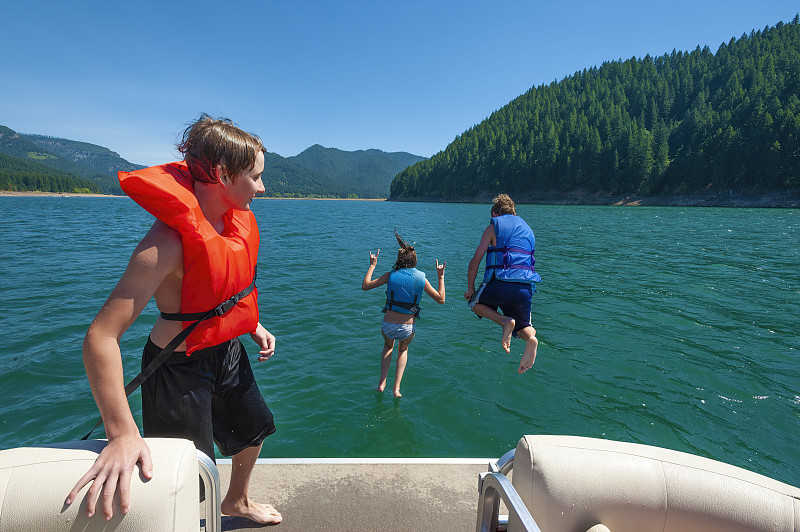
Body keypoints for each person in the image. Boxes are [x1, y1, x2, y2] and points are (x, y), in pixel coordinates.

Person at [65, 115, 282, 525]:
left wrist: (251, 325)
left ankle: (236, 501)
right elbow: (100, 337)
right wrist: (122, 433)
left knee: (255, 430)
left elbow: (223, 291)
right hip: (177, 369)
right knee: (185, 472)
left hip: (227, 351)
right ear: (221, 173)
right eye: (254, 177)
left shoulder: (235, 222)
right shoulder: (165, 245)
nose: (262, 187)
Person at [464, 194, 542, 374]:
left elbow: (474, 262)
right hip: (524, 288)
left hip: (499, 283)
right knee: (523, 328)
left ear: (494, 213)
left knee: (474, 303)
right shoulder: (528, 230)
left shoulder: (493, 227)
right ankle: (531, 339)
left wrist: (471, 289)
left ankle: (505, 321)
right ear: (514, 213)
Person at [361, 232, 446, 397]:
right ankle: (396, 389)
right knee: (402, 349)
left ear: (399, 260)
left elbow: (365, 286)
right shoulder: (421, 278)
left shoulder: (391, 275)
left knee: (388, 346)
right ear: (415, 261)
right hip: (407, 328)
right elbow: (441, 299)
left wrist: (372, 265)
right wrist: (440, 277)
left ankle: (381, 383)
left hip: (387, 326)